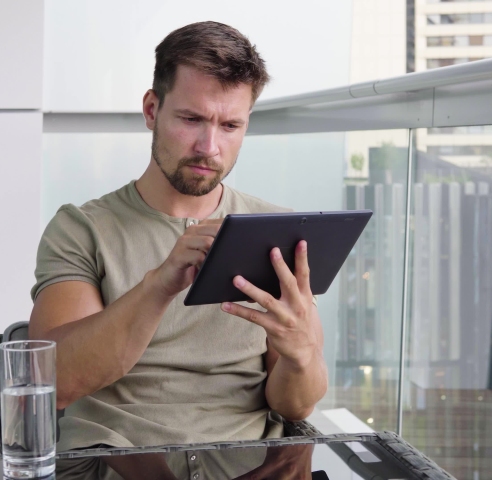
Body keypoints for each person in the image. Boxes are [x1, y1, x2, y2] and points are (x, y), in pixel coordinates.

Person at [29, 21, 327, 458]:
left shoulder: (277, 231)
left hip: (245, 459)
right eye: (191, 119)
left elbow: (297, 405)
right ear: (152, 109)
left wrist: (301, 354)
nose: (210, 147)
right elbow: (56, 383)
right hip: (116, 459)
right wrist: (161, 282)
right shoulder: (82, 229)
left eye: (230, 126)